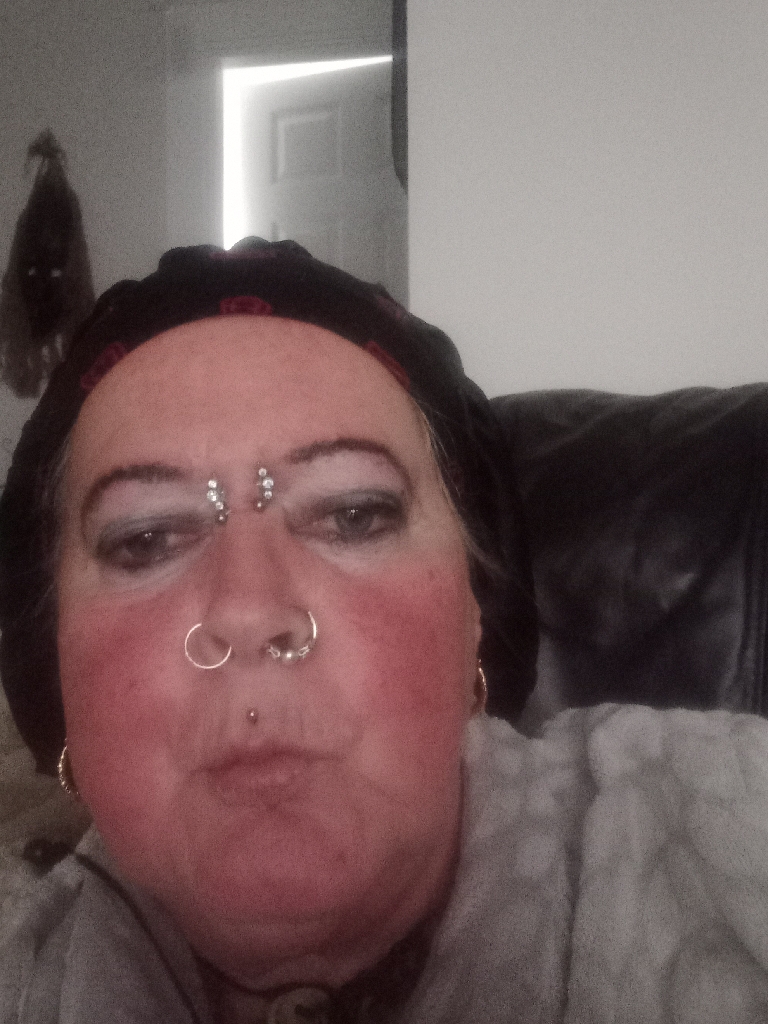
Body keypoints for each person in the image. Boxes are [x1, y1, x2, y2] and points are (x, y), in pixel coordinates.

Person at [1, 240, 768, 1024]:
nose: (250, 611)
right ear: (51, 665)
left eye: (353, 515)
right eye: (146, 539)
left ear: (475, 612)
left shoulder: (734, 818)